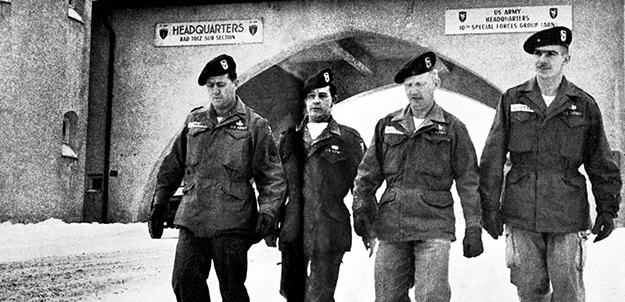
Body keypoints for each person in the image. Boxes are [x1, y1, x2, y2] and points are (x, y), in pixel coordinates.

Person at [479, 26, 622, 302]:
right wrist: (489, 207)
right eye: (538, 54)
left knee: (568, 292)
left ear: (565, 58)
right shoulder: (512, 99)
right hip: (521, 213)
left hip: (566, 213)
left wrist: (607, 209)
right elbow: (492, 158)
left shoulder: (583, 104)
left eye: (551, 54)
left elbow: (600, 161)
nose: (542, 60)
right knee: (529, 290)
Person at [150, 54, 287, 302]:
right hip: (193, 217)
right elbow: (173, 164)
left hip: (232, 221)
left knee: (232, 291)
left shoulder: (255, 125)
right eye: (210, 85)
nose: (215, 91)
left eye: (221, 84)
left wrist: (268, 213)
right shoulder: (195, 120)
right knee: (184, 282)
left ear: (234, 82)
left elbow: (272, 176)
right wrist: (160, 202)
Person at [352, 51, 484, 302]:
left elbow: (468, 181)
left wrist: (473, 227)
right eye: (408, 85)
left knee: (431, 296)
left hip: (433, 225)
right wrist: (361, 211)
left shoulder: (453, 128)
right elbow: (366, 177)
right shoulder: (387, 125)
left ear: (436, 83)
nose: (414, 91)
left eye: (420, 83)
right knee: (387, 297)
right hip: (392, 225)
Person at [274, 68, 366, 302]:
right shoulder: (289, 139)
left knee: (320, 295)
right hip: (294, 226)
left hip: (330, 227)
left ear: (333, 100)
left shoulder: (348, 139)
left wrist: (366, 226)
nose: (316, 101)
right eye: (311, 96)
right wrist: (270, 223)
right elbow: (276, 185)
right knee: (291, 292)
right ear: (304, 101)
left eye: (322, 96)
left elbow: (362, 186)